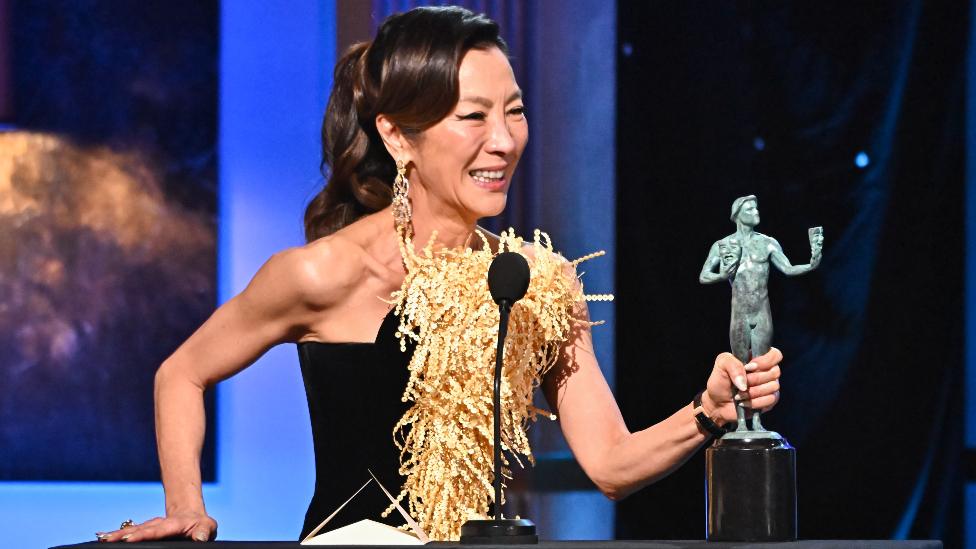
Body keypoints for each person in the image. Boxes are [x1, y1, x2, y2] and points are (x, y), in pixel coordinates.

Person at [96, 6, 782, 543]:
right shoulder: (325, 272)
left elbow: (608, 461)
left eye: (514, 110)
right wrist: (187, 508)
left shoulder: (538, 280)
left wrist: (707, 413)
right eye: (473, 117)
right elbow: (180, 373)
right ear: (398, 136)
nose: (505, 140)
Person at [699, 195, 820, 433]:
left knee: (759, 370)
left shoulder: (768, 243)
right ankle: (741, 422)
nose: (756, 211)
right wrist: (723, 275)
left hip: (761, 311)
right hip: (740, 314)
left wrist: (812, 261)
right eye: (750, 208)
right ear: (737, 214)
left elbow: (788, 268)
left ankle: (757, 421)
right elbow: (704, 276)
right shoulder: (724, 245)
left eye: (757, 207)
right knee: (741, 367)